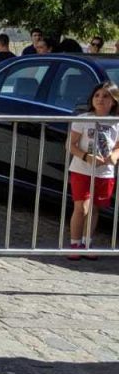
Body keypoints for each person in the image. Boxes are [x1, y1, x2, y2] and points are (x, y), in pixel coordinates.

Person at [67, 83, 119, 260]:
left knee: (95, 209)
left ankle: (87, 242)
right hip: (81, 170)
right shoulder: (83, 118)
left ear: (113, 101)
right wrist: (85, 156)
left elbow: (118, 147)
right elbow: (70, 145)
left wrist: (114, 156)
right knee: (81, 207)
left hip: (104, 172)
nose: (100, 99)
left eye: (106, 96)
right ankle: (74, 244)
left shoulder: (116, 122)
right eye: (97, 95)